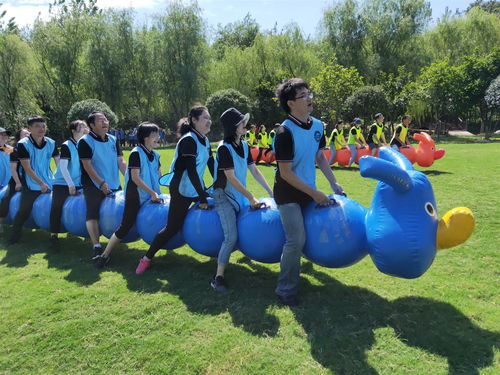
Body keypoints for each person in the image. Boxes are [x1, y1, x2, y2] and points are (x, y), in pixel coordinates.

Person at [273, 78, 344, 306]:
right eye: (303, 96)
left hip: (309, 190)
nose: (309, 98)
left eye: (308, 93)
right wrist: (314, 194)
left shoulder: (318, 126)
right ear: (291, 104)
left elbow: (320, 156)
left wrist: (333, 183)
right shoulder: (284, 132)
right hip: (287, 193)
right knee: (296, 239)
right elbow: (285, 173)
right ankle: (285, 290)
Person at [135, 105, 214, 274]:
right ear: (194, 120)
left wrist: (216, 184)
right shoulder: (188, 140)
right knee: (172, 227)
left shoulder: (205, 141)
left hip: (196, 186)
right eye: (205, 118)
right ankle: (146, 258)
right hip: (181, 189)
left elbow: (211, 164)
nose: (209, 121)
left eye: (209, 118)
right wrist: (202, 196)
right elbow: (191, 170)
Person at [210, 108, 273, 291]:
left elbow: (254, 170)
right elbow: (230, 177)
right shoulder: (224, 148)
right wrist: (251, 197)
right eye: (241, 123)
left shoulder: (244, 145)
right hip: (224, 197)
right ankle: (218, 277)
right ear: (232, 127)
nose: (245, 125)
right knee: (231, 237)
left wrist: (270, 191)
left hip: (238, 195)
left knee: (243, 230)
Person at [96, 123, 162, 269]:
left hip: (153, 196)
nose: (158, 138)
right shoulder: (136, 153)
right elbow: (135, 178)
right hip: (136, 196)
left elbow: (159, 175)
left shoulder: (156, 155)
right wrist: (152, 193)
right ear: (145, 138)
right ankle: (104, 255)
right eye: (154, 135)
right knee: (125, 226)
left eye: (158, 134)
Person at [78, 111, 127, 260]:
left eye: (106, 119)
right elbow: (87, 165)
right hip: (93, 184)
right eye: (101, 120)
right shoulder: (85, 141)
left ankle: (113, 241)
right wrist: (101, 183)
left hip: (113, 183)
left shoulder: (113, 139)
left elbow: (120, 161)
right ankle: (96, 246)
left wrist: (131, 178)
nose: (105, 122)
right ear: (92, 125)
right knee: (92, 213)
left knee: (117, 212)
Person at [8, 116, 60, 244]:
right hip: (31, 182)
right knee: (24, 210)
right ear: (30, 128)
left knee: (57, 207)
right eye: (37, 126)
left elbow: (59, 164)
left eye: (43, 126)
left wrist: (61, 179)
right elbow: (27, 168)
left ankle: (54, 237)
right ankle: (14, 236)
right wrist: (41, 184)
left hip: (49, 181)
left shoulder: (51, 143)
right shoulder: (23, 144)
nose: (41, 129)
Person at [48, 120, 86, 248]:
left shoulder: (84, 144)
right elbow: (63, 168)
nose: (84, 129)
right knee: (56, 207)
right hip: (62, 183)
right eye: (81, 127)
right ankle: (53, 235)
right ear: (73, 130)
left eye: (85, 126)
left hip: (78, 182)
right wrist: (70, 185)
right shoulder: (66, 145)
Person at [0, 128, 30, 233]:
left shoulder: (11, 149)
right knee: (5, 198)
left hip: (10, 181)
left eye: (6, 135)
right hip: (3, 183)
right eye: (1, 134)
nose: (4, 136)